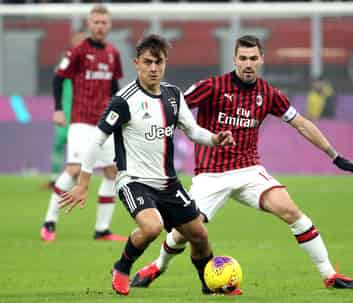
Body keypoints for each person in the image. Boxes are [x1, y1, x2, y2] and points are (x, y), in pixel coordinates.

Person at [131, 35, 353, 290]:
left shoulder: (269, 94)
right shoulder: (212, 87)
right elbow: (171, 108)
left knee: (292, 212)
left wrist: (335, 156)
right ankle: (158, 266)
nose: (247, 64)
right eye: (243, 58)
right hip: (211, 175)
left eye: (253, 58)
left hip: (249, 171)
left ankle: (329, 275)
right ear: (234, 59)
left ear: (261, 60)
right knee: (185, 232)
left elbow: (301, 124)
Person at [58, 34, 237, 296]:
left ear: (166, 63)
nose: (154, 68)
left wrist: (214, 138)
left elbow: (193, 130)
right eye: (148, 62)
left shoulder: (173, 95)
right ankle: (122, 266)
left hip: (168, 183)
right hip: (134, 181)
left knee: (199, 235)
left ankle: (209, 284)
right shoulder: (124, 99)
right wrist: (83, 183)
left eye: (159, 62)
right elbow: (97, 140)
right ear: (137, 63)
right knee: (152, 227)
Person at [40, 5, 126, 242]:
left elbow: (113, 87)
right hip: (81, 122)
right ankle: (49, 221)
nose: (99, 26)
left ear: (109, 25)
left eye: (103, 22)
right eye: (96, 22)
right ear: (89, 24)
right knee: (74, 170)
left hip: (104, 124)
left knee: (111, 172)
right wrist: (58, 109)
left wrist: (120, 114)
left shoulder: (112, 53)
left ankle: (102, 230)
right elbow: (58, 78)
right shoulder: (78, 51)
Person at [41, 31, 87, 190]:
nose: (80, 43)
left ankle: (77, 180)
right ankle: (54, 179)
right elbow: (57, 83)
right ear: (73, 41)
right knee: (60, 142)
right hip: (66, 111)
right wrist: (58, 109)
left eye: (83, 40)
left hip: (85, 113)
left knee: (81, 147)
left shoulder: (93, 62)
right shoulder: (67, 61)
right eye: (77, 40)